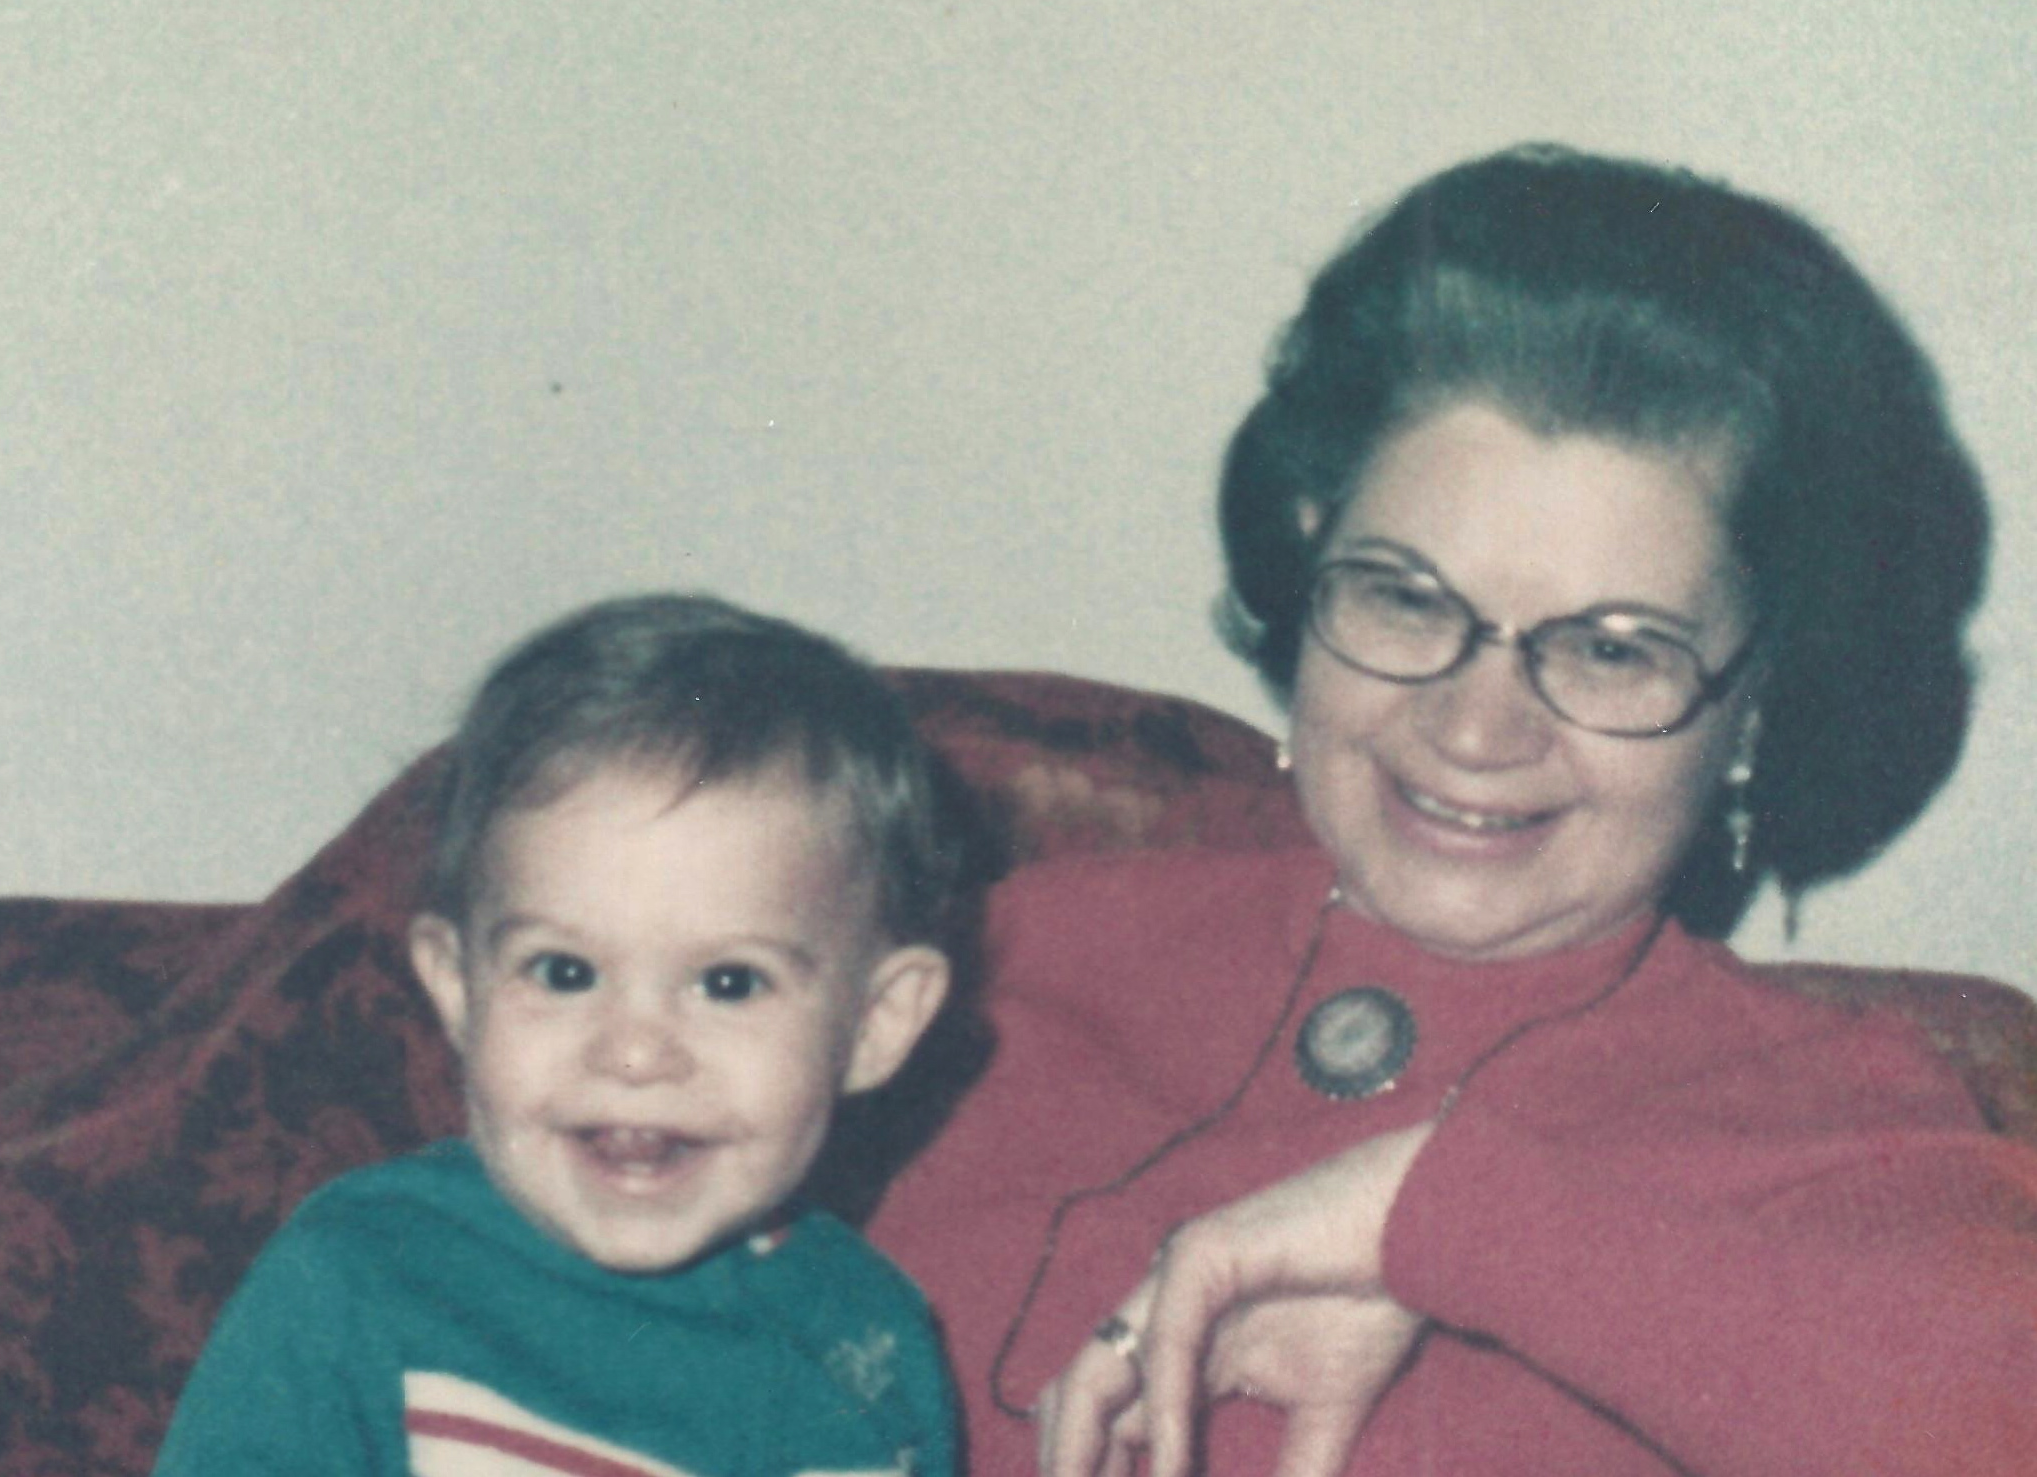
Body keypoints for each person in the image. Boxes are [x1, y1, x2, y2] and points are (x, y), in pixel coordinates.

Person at [864, 144, 2037, 1476]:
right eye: (1405, 598)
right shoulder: (984, 960)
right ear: (1309, 548)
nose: (1475, 730)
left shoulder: (1829, 1119)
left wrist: (1447, 1222)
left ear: (1759, 703)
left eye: (1612, 649)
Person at [155, 595, 963, 1477]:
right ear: (459, 987)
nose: (635, 1051)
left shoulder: (873, 1343)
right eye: (565, 972)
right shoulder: (360, 1275)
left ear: (875, 1024)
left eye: (729, 982)